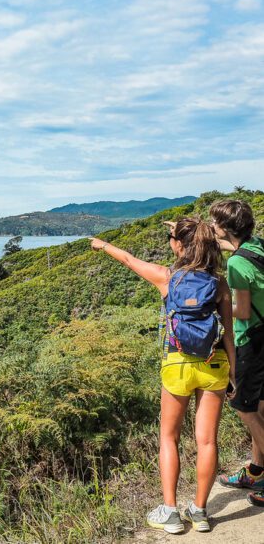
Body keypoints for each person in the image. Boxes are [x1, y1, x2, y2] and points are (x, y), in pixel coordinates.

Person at [90, 217, 235, 534]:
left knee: (168, 438)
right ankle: (199, 511)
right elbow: (229, 332)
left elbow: (129, 259)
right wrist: (234, 373)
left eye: (173, 237)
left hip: (177, 363)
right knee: (207, 440)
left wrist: (102, 245)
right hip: (214, 364)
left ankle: (170, 512)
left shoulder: (167, 278)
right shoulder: (219, 283)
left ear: (178, 245)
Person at [210, 199, 264, 508]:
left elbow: (241, 311)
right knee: (260, 406)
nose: (212, 227)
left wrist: (216, 307)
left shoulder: (236, 265)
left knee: (244, 407)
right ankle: (256, 470)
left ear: (227, 228)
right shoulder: (256, 246)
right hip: (263, 336)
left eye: (215, 223)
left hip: (252, 341)